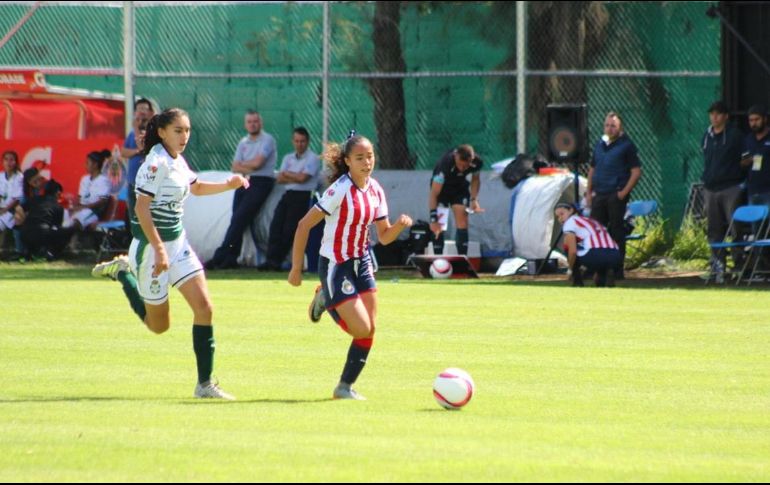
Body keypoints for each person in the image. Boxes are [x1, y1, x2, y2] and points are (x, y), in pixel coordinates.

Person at [91, 108, 249, 400]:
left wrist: (229, 184)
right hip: (152, 250)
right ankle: (124, 273)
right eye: (178, 130)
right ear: (162, 132)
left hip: (178, 246)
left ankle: (204, 385)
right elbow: (141, 208)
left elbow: (197, 187)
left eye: (187, 130)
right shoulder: (155, 163)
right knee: (158, 326)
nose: (184, 136)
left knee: (205, 308)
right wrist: (160, 251)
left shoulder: (177, 160)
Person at [288, 132, 413, 400]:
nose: (367, 162)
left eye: (370, 156)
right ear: (347, 161)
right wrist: (296, 268)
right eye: (360, 158)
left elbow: (384, 236)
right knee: (360, 329)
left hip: (363, 263)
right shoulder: (340, 189)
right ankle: (324, 298)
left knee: (370, 328)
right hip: (336, 264)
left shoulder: (376, 189)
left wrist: (399, 227)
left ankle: (344, 388)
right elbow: (303, 225)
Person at [206, 110, 276, 269]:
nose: (253, 124)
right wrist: (247, 166)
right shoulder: (243, 142)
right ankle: (231, 257)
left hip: (261, 181)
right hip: (243, 180)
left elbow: (258, 164)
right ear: (246, 124)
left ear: (261, 123)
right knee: (236, 219)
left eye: (255, 121)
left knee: (240, 218)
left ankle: (220, 256)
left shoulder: (267, 140)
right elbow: (234, 166)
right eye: (250, 121)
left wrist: (245, 166)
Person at [586, 111, 642, 279]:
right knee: (595, 231)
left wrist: (623, 192)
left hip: (615, 195)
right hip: (599, 194)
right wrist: (589, 192)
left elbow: (636, 171)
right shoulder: (599, 144)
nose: (610, 129)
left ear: (620, 127)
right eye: (607, 125)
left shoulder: (627, 145)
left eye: (613, 126)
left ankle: (617, 270)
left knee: (617, 231)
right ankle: (595, 268)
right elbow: (592, 169)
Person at [258, 127, 321, 271]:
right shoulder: (288, 157)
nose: (300, 144)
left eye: (303, 141)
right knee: (276, 226)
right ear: (293, 141)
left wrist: (288, 174)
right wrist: (294, 176)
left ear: (307, 142)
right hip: (288, 195)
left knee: (289, 229)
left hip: (303, 196)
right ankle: (270, 259)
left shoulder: (313, 158)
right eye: (297, 141)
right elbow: (280, 178)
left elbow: (303, 178)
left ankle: (277, 261)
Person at [701, 101, 747, 282]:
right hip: (710, 189)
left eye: (718, 114)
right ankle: (718, 266)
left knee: (735, 227)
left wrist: (732, 173)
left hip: (730, 188)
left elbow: (746, 159)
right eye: (712, 114)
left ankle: (738, 265)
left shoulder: (735, 135)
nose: (714, 117)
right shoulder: (706, 135)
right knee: (713, 229)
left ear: (726, 117)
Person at [428, 144, 484, 256]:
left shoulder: (476, 162)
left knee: (462, 220)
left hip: (459, 188)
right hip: (442, 190)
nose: (462, 169)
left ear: (471, 160)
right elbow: (434, 193)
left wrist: (474, 199)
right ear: (455, 156)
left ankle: (463, 259)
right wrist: (433, 219)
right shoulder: (444, 165)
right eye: (460, 165)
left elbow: (475, 180)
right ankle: (438, 259)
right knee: (439, 225)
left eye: (465, 166)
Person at [554, 202, 621, 287]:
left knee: (568, 246)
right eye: (557, 217)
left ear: (571, 210)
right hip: (616, 255)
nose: (560, 218)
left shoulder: (570, 222)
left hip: (596, 254)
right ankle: (603, 275)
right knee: (600, 259)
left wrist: (570, 269)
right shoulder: (590, 220)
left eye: (562, 214)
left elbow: (573, 252)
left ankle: (577, 281)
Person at [15, 179, 74, 260]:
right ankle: (52, 253)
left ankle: (29, 252)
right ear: (58, 193)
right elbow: (57, 226)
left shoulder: (34, 199)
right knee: (68, 230)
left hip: (24, 234)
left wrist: (24, 220)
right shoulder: (58, 206)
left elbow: (18, 208)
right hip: (42, 234)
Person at [66, 151, 112, 231]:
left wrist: (84, 207)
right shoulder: (84, 179)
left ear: (95, 164)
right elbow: (80, 198)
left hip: (94, 211)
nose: (85, 165)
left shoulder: (103, 180)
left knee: (76, 223)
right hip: (82, 208)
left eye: (87, 163)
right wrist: (74, 207)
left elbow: (102, 201)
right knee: (65, 221)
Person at [741, 105, 770, 207]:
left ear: (765, 119)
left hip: (768, 190)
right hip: (753, 190)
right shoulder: (748, 139)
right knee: (755, 222)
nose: (754, 123)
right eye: (751, 120)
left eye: (757, 119)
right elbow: (743, 162)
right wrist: (745, 162)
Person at [0, 151, 24, 252]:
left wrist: (4, 210)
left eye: (11, 160)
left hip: (12, 209)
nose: (9, 162)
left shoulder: (19, 177)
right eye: (6, 159)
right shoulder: (0, 176)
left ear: (15, 162)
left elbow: (16, 199)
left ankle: (19, 251)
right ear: (2, 162)